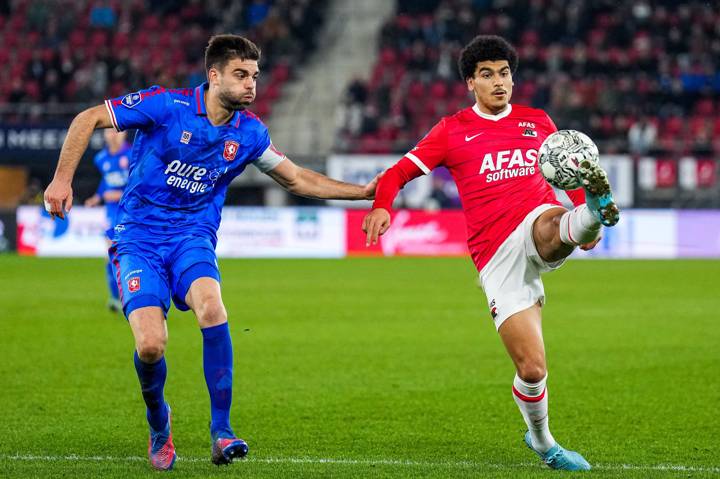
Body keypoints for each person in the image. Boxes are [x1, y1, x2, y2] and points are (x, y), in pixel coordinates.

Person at [44, 34, 379, 471]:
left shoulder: (250, 132)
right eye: (241, 75)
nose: (251, 85)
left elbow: (297, 179)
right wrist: (61, 179)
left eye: (255, 76)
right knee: (150, 346)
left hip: (192, 237)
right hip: (138, 237)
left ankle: (221, 432)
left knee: (212, 309)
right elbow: (87, 118)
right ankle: (159, 423)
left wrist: (363, 192)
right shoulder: (165, 106)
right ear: (214, 75)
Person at [363, 35, 619, 471]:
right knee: (533, 368)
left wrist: (582, 207)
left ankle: (592, 215)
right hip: (495, 253)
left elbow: (571, 171)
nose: (499, 82)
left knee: (552, 226)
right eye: (487, 75)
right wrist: (382, 205)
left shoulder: (537, 122)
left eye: (504, 73)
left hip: (538, 218)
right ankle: (543, 444)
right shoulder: (452, 130)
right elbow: (397, 172)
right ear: (470, 82)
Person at [84, 129, 130, 313]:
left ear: (124, 134)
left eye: (118, 131)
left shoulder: (132, 154)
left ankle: (136, 294)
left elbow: (142, 183)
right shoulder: (101, 158)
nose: (113, 134)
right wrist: (97, 196)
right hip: (112, 212)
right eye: (109, 131)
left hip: (132, 211)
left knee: (132, 254)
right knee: (110, 255)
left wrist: (119, 194)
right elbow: (106, 181)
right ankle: (115, 298)